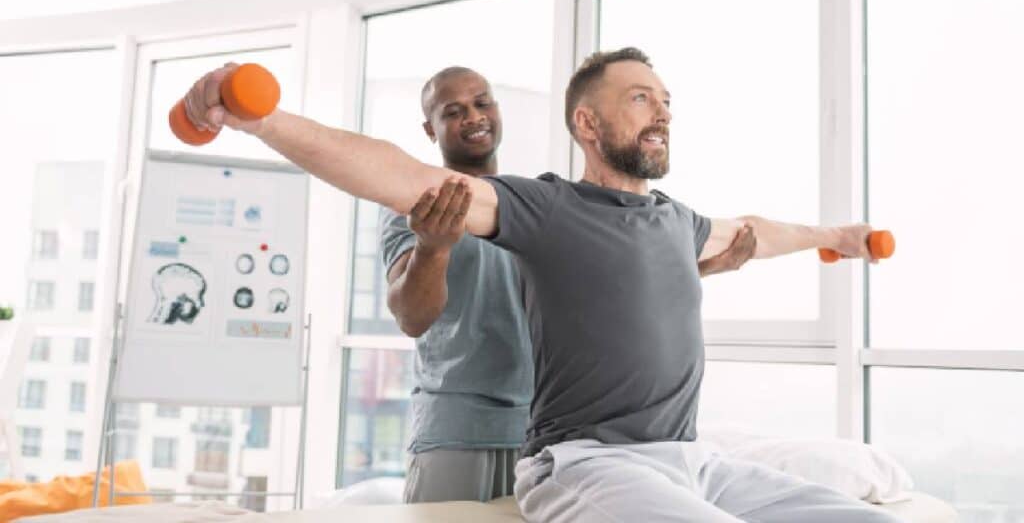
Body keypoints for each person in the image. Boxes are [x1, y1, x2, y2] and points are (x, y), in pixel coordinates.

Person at [182, 47, 900, 521]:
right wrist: (259, 117)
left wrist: (834, 239)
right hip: (564, 453)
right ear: (587, 123)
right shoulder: (542, 206)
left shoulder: (676, 223)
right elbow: (395, 175)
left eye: (666, 99)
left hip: (687, 457)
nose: (664, 111)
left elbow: (755, 230)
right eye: (641, 99)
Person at [381, 66, 756, 503]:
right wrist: (433, 247)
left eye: (482, 103)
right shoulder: (413, 207)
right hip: (458, 430)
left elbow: (599, 292)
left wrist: (698, 270)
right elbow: (411, 316)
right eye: (454, 111)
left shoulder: (534, 206)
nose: (473, 117)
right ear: (431, 129)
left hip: (548, 435)